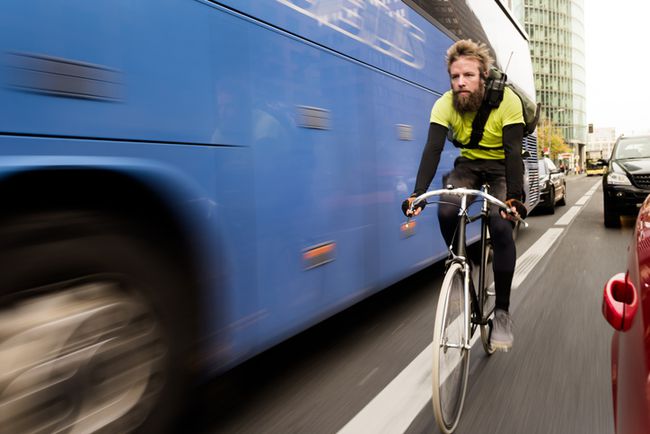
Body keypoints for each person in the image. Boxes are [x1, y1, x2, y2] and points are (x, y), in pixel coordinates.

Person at [402, 39, 527, 351]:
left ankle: (502, 313)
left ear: (483, 76)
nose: (460, 83)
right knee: (446, 209)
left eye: (468, 75)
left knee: (500, 227)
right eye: (455, 77)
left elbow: (513, 154)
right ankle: (461, 265)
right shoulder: (445, 103)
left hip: (501, 166)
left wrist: (512, 198)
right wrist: (418, 193)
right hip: (468, 164)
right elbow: (432, 149)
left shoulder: (507, 101)